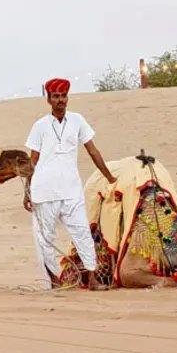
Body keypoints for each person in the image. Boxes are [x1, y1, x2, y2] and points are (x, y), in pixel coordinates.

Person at [23, 77, 117, 290]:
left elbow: (92, 150)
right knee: (45, 238)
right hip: (44, 191)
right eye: (56, 96)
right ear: (48, 99)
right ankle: (54, 282)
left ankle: (92, 279)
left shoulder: (77, 121)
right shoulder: (40, 126)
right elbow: (33, 161)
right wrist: (27, 192)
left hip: (71, 190)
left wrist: (110, 177)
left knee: (82, 232)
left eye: (63, 96)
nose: (60, 100)